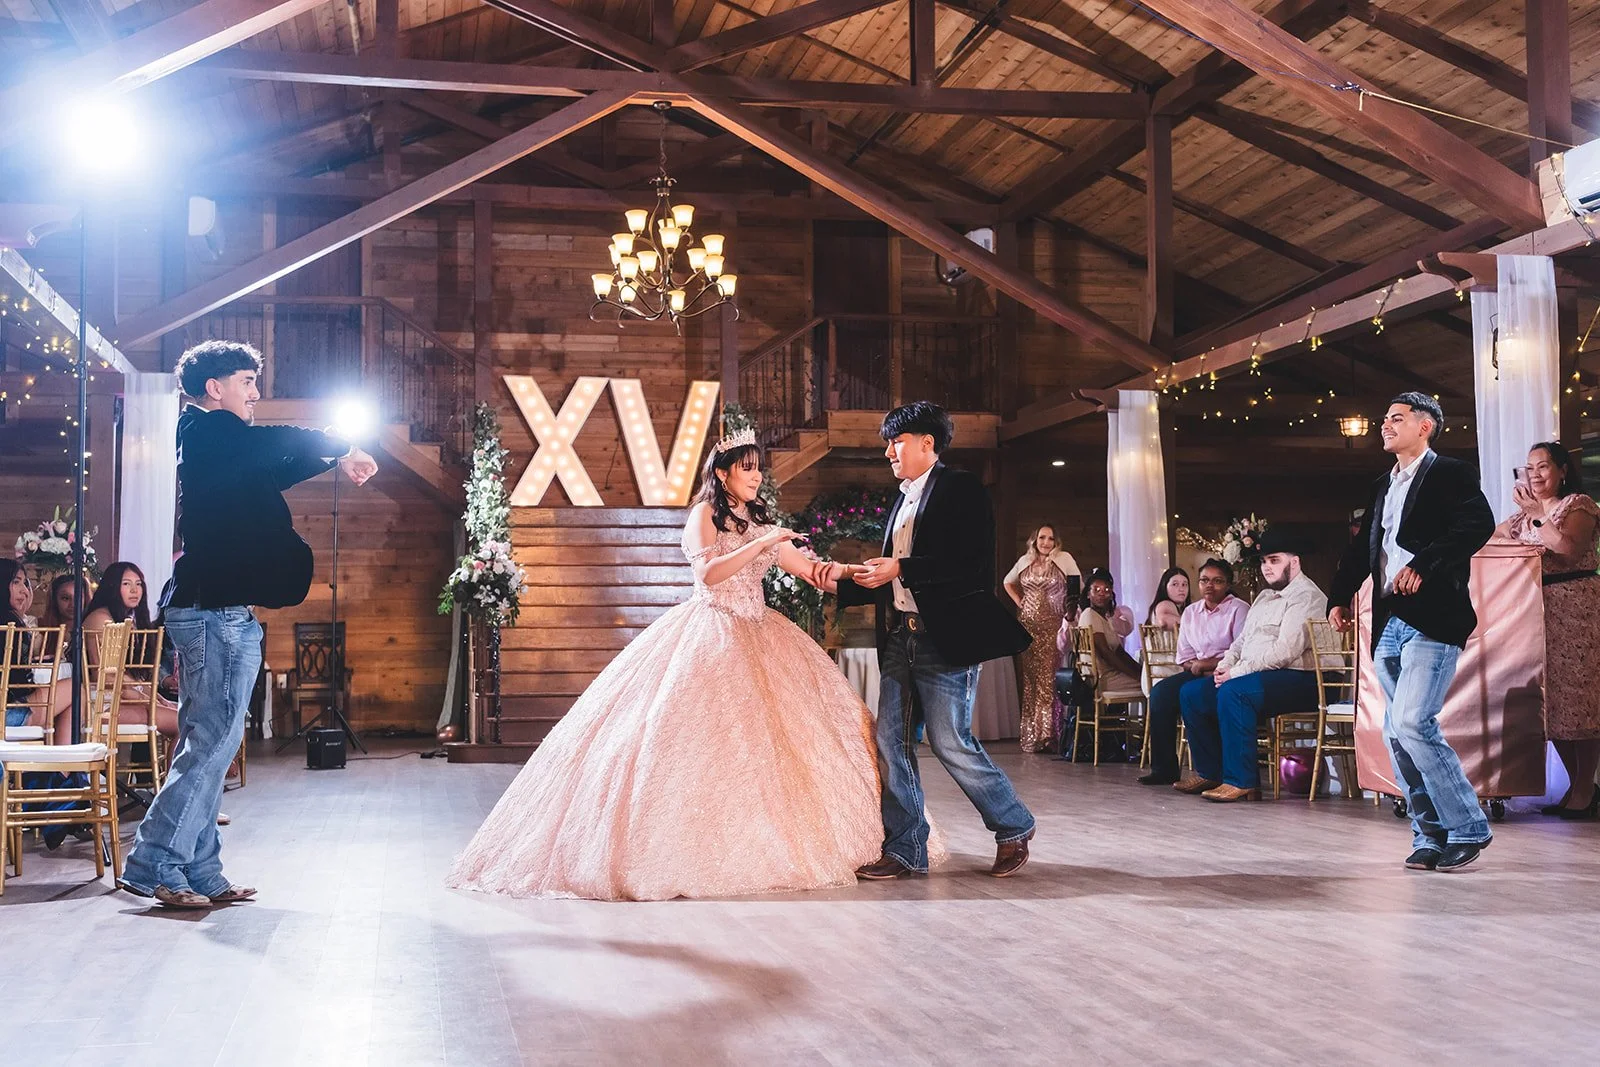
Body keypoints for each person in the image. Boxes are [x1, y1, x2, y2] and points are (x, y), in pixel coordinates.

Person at [448, 429, 900, 901]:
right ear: (722, 474)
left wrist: (858, 573)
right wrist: (761, 543)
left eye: (758, 467)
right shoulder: (704, 515)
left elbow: (811, 571)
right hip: (713, 630)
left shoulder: (764, 524)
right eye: (747, 468)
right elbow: (708, 573)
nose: (756, 475)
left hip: (762, 632)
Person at [117, 340, 378, 910]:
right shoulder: (210, 432)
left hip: (221, 612)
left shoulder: (219, 450)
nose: (255, 393)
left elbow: (275, 466)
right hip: (214, 613)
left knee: (211, 743)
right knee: (211, 744)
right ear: (215, 388)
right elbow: (271, 444)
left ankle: (201, 871)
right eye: (246, 382)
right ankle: (154, 862)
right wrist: (341, 441)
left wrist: (335, 457)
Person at [829, 402, 1036, 879]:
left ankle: (1013, 824)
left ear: (928, 443)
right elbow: (897, 574)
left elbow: (972, 565)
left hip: (949, 637)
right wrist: (851, 577)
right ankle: (905, 850)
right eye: (888, 443)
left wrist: (902, 567)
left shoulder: (962, 489)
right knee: (890, 742)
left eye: (896, 442)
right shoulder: (901, 498)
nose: (889, 452)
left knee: (950, 740)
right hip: (903, 636)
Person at [1329, 393, 1495, 871]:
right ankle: (1430, 834)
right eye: (1384, 418)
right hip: (1388, 621)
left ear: (1426, 427)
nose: (1385, 425)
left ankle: (1468, 826)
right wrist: (1339, 597)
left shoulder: (1449, 473)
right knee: (1397, 733)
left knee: (1413, 722)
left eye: (1396, 419)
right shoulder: (1383, 483)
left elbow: (1477, 524)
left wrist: (1425, 563)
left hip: (1434, 616)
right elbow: (1364, 551)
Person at [1176, 531, 1325, 802]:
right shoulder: (1264, 597)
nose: (1267, 567)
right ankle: (1210, 772)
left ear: (1294, 563)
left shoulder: (1307, 596)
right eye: (1264, 561)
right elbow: (1242, 641)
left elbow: (1285, 652)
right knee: (1192, 693)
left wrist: (1236, 673)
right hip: (1260, 675)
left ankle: (1241, 781)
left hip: (1303, 679)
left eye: (1274, 560)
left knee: (1236, 692)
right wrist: (1225, 666)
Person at [1496, 441, 1600, 820]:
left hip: (1577, 608)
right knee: (1552, 705)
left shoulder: (1578, 505)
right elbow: (1489, 541)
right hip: (1536, 611)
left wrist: (1538, 515)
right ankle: (1579, 785)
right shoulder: (1524, 516)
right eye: (1529, 468)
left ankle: (1585, 787)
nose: (1535, 475)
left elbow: (1568, 549)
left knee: (1581, 701)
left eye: (1542, 467)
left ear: (1562, 471)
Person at [1137, 558, 1248, 786]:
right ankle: (1164, 768)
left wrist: (1207, 665)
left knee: (1192, 692)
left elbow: (1242, 650)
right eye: (1204, 580)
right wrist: (1196, 666)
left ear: (1227, 584)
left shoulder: (1239, 609)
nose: (1209, 586)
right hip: (1196, 670)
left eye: (1217, 581)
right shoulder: (1190, 612)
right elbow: (1184, 656)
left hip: (1229, 670)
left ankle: (1209, 771)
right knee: (1161, 693)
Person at [1003, 524, 1079, 753]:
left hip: (1053, 624)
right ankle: (1031, 735)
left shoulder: (1064, 559)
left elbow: (1076, 587)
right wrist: (1020, 603)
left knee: (1048, 677)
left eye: (1051, 538)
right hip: (1028, 625)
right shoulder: (1025, 560)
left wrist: (1070, 612)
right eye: (1042, 538)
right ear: (1034, 540)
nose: (1046, 542)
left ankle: (1049, 734)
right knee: (1032, 679)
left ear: (1057, 542)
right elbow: (1008, 582)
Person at [1075, 569, 1141, 694]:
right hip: (1102, 678)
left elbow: (1120, 653)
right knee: (1154, 684)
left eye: (1106, 590)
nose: (1101, 593)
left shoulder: (1104, 619)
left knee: (1149, 680)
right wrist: (1136, 676)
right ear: (1088, 594)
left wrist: (1141, 670)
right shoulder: (1089, 614)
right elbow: (1106, 653)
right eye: (1096, 590)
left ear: (1111, 594)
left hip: (1110, 674)